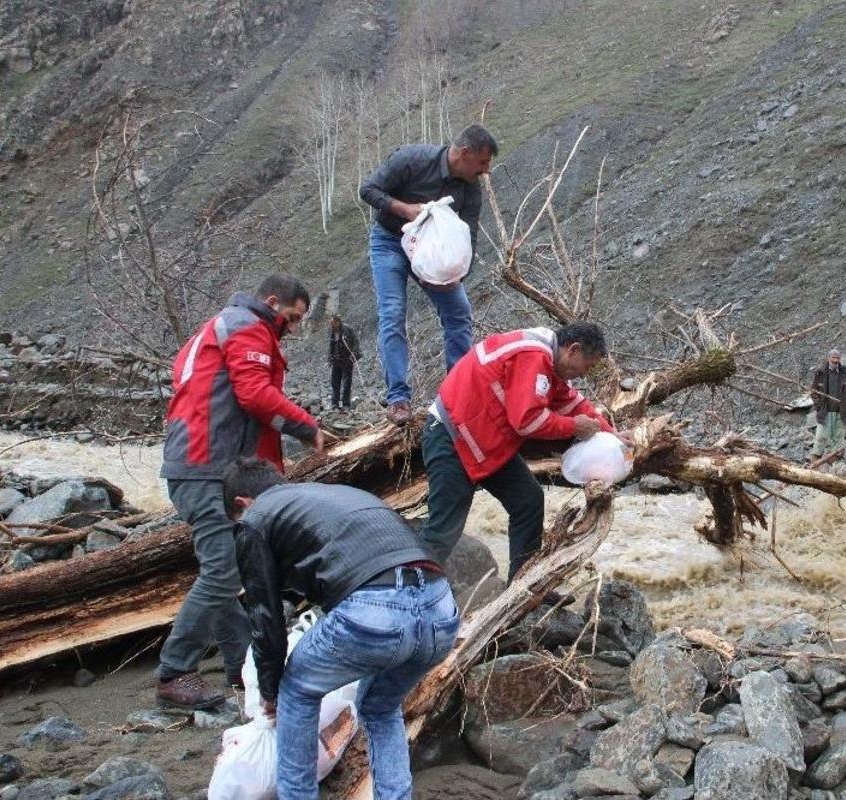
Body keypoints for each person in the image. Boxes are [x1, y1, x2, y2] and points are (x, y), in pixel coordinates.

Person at [224, 457, 456, 800]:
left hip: (376, 609)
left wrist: (271, 691)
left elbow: (265, 619)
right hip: (441, 608)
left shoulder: (254, 520)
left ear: (242, 503)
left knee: (298, 689)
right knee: (379, 706)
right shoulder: (327, 494)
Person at [156, 274, 323, 710]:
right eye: (293, 317)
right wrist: (306, 427)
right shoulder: (248, 326)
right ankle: (175, 672)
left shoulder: (218, 326)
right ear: (272, 302)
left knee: (232, 568)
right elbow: (254, 394)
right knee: (222, 571)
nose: (293, 327)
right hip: (205, 464)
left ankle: (240, 664)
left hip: (201, 461)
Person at [421, 322, 615, 580]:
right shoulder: (532, 356)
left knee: (528, 501)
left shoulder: (550, 361)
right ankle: (410, 590)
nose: (582, 374)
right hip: (452, 437)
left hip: (482, 441)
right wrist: (573, 427)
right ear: (573, 349)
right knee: (444, 527)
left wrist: (613, 436)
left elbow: (574, 403)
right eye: (586, 366)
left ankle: (523, 586)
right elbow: (527, 421)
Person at [359, 124, 498, 426]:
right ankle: (398, 400)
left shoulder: (471, 189)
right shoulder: (412, 159)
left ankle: (459, 395)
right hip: (390, 242)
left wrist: (456, 276)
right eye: (483, 163)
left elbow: (469, 237)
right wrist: (403, 209)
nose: (485, 171)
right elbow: (367, 189)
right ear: (465, 154)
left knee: (459, 311)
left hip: (434, 254)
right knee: (393, 313)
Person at [809, 348, 846, 460]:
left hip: (841, 412)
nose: (835, 360)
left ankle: (836, 463)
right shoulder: (820, 372)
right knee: (820, 437)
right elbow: (814, 392)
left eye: (837, 358)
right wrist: (819, 406)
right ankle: (815, 461)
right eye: (833, 357)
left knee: (839, 438)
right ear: (828, 358)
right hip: (825, 411)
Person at [328, 315, 360, 410]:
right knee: (335, 383)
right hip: (336, 361)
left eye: (333, 323)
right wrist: (330, 358)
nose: (332, 326)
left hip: (346, 360)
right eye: (331, 324)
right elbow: (331, 346)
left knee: (346, 383)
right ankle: (336, 404)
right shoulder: (333, 332)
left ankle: (345, 404)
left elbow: (355, 342)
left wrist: (353, 356)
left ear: (338, 322)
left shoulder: (347, 330)